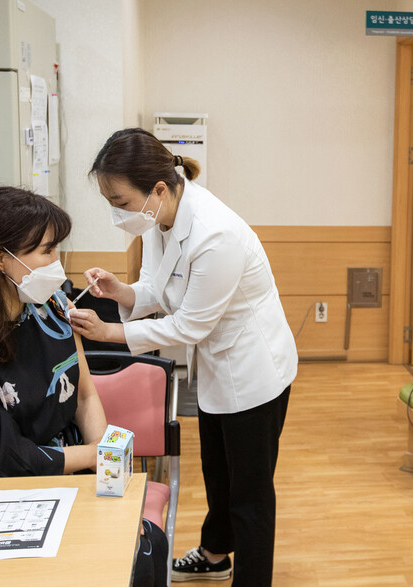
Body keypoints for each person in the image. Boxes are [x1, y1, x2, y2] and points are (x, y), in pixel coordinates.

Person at [68, 128, 297, 586]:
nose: (117, 213)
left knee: (249, 493)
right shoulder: (161, 218)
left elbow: (190, 324)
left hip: (253, 371)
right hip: (214, 364)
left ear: (157, 189)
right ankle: (215, 554)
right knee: (218, 472)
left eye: (121, 201)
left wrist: (113, 330)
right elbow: (156, 288)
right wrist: (122, 291)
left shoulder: (217, 234)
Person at [0, 186, 167, 585]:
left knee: (143, 549)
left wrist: (108, 476)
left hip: (76, 471)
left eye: (57, 248)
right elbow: (13, 459)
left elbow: (85, 394)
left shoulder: (52, 306)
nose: (56, 262)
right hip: (6, 493)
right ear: (0, 259)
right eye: (45, 250)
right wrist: (95, 455)